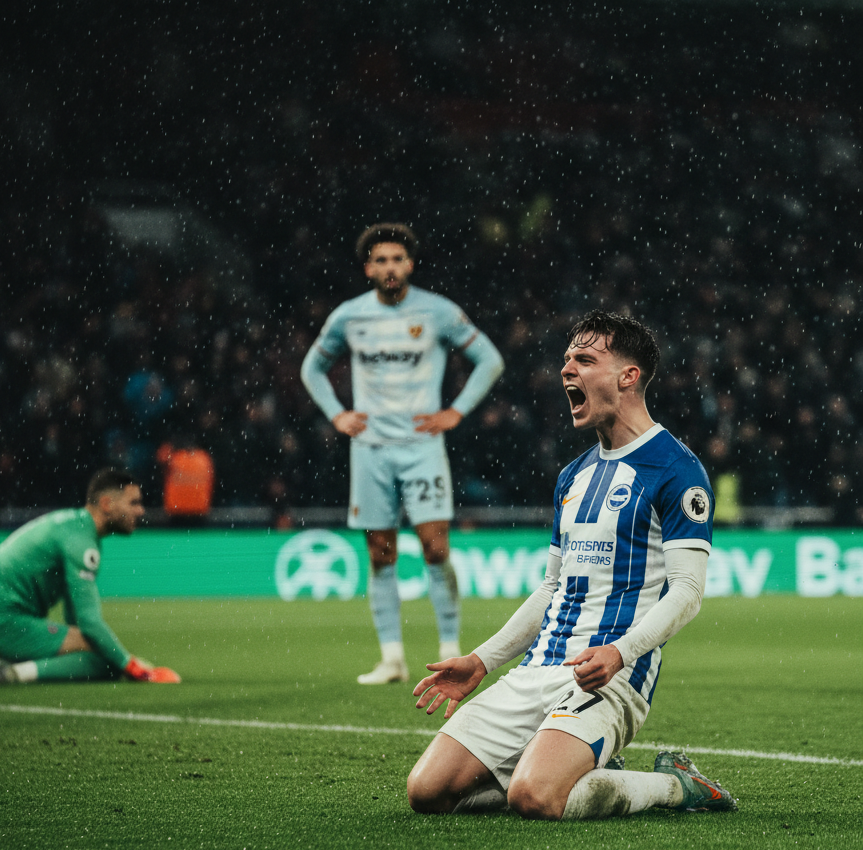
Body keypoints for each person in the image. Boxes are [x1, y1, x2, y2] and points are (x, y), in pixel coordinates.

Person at [406, 311, 736, 819]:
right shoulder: (572, 476)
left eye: (584, 359)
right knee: (427, 793)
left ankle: (674, 785)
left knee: (535, 798)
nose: (566, 369)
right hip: (536, 669)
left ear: (628, 377)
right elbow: (550, 589)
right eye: (566, 359)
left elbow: (688, 592)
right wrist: (482, 661)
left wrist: (621, 653)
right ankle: (572, 763)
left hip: (611, 677)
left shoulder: (676, 470)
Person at [300, 223, 505, 684]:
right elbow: (312, 368)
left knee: (435, 548)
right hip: (370, 450)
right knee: (381, 553)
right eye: (381, 260)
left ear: (410, 264)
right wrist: (337, 415)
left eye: (397, 259)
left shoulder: (438, 311)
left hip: (421, 447)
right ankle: (391, 659)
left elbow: (490, 360)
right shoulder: (349, 316)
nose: (390, 268)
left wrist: (455, 411)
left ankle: (450, 648)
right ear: (368, 268)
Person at [0, 467, 180, 686]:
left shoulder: (73, 527)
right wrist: (131, 665)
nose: (140, 510)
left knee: (102, 652)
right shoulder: (81, 542)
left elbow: (78, 622)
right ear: (107, 504)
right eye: (133, 503)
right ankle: (11, 673)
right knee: (105, 661)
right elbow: (90, 623)